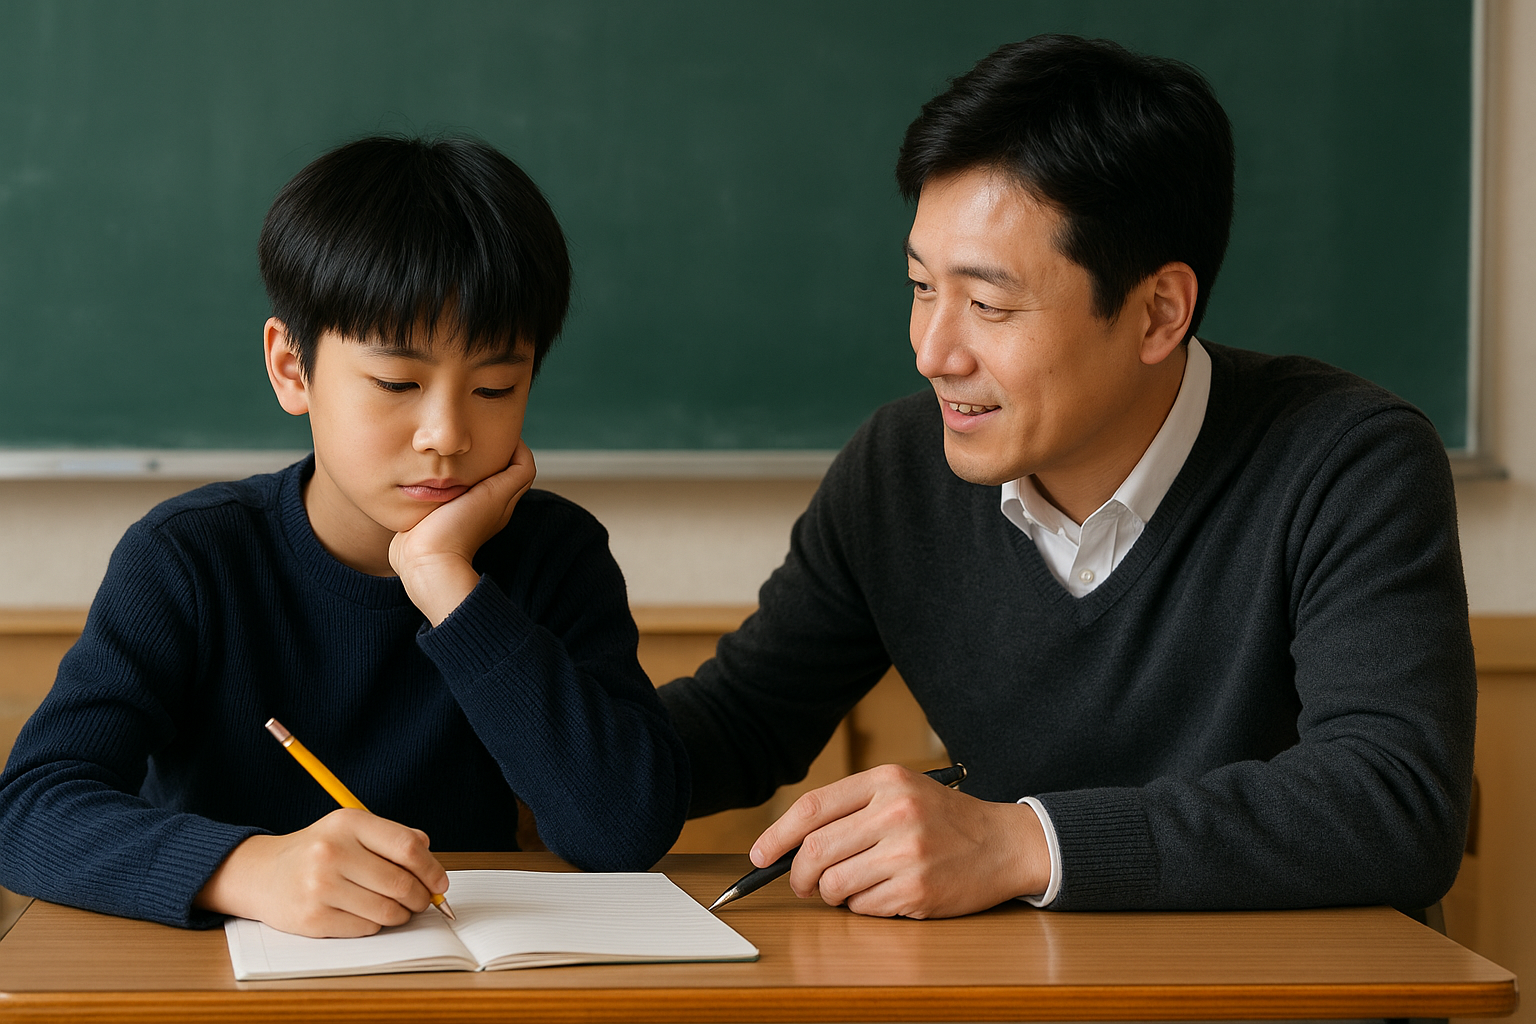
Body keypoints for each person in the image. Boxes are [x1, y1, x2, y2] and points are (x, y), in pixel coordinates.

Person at [658, 35, 1475, 918]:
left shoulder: (1349, 461)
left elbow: (1395, 802)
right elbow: (737, 725)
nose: (932, 352)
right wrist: (496, 667)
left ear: (1159, 311)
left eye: (989, 304)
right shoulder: (897, 472)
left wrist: (1018, 841)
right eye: (920, 286)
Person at [0, 135, 689, 936]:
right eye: (398, 383)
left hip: (472, 982)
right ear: (292, 369)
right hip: (222, 989)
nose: (447, 433)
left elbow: (623, 830)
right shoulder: (191, 558)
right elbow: (29, 809)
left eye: (496, 386)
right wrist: (250, 869)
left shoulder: (555, 554)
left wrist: (444, 580)